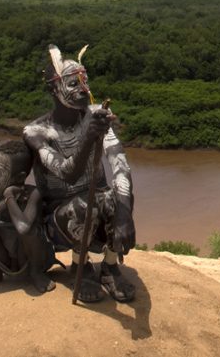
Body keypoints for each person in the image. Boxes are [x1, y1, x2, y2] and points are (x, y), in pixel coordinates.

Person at [23, 44, 136, 303]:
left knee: (120, 193)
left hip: (98, 204)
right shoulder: (36, 132)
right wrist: (88, 137)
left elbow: (121, 167)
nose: (83, 90)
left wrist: (124, 215)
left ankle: (110, 265)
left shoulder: (97, 115)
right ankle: (80, 265)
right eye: (73, 84)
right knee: (84, 205)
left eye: (85, 82)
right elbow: (68, 175)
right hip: (61, 219)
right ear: (54, 89)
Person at [0, 140, 56, 294]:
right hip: (6, 260)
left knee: (30, 231)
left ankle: (36, 274)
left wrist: (9, 197)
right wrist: (3, 204)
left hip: (32, 259)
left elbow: (24, 228)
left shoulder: (34, 194)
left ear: (19, 178)